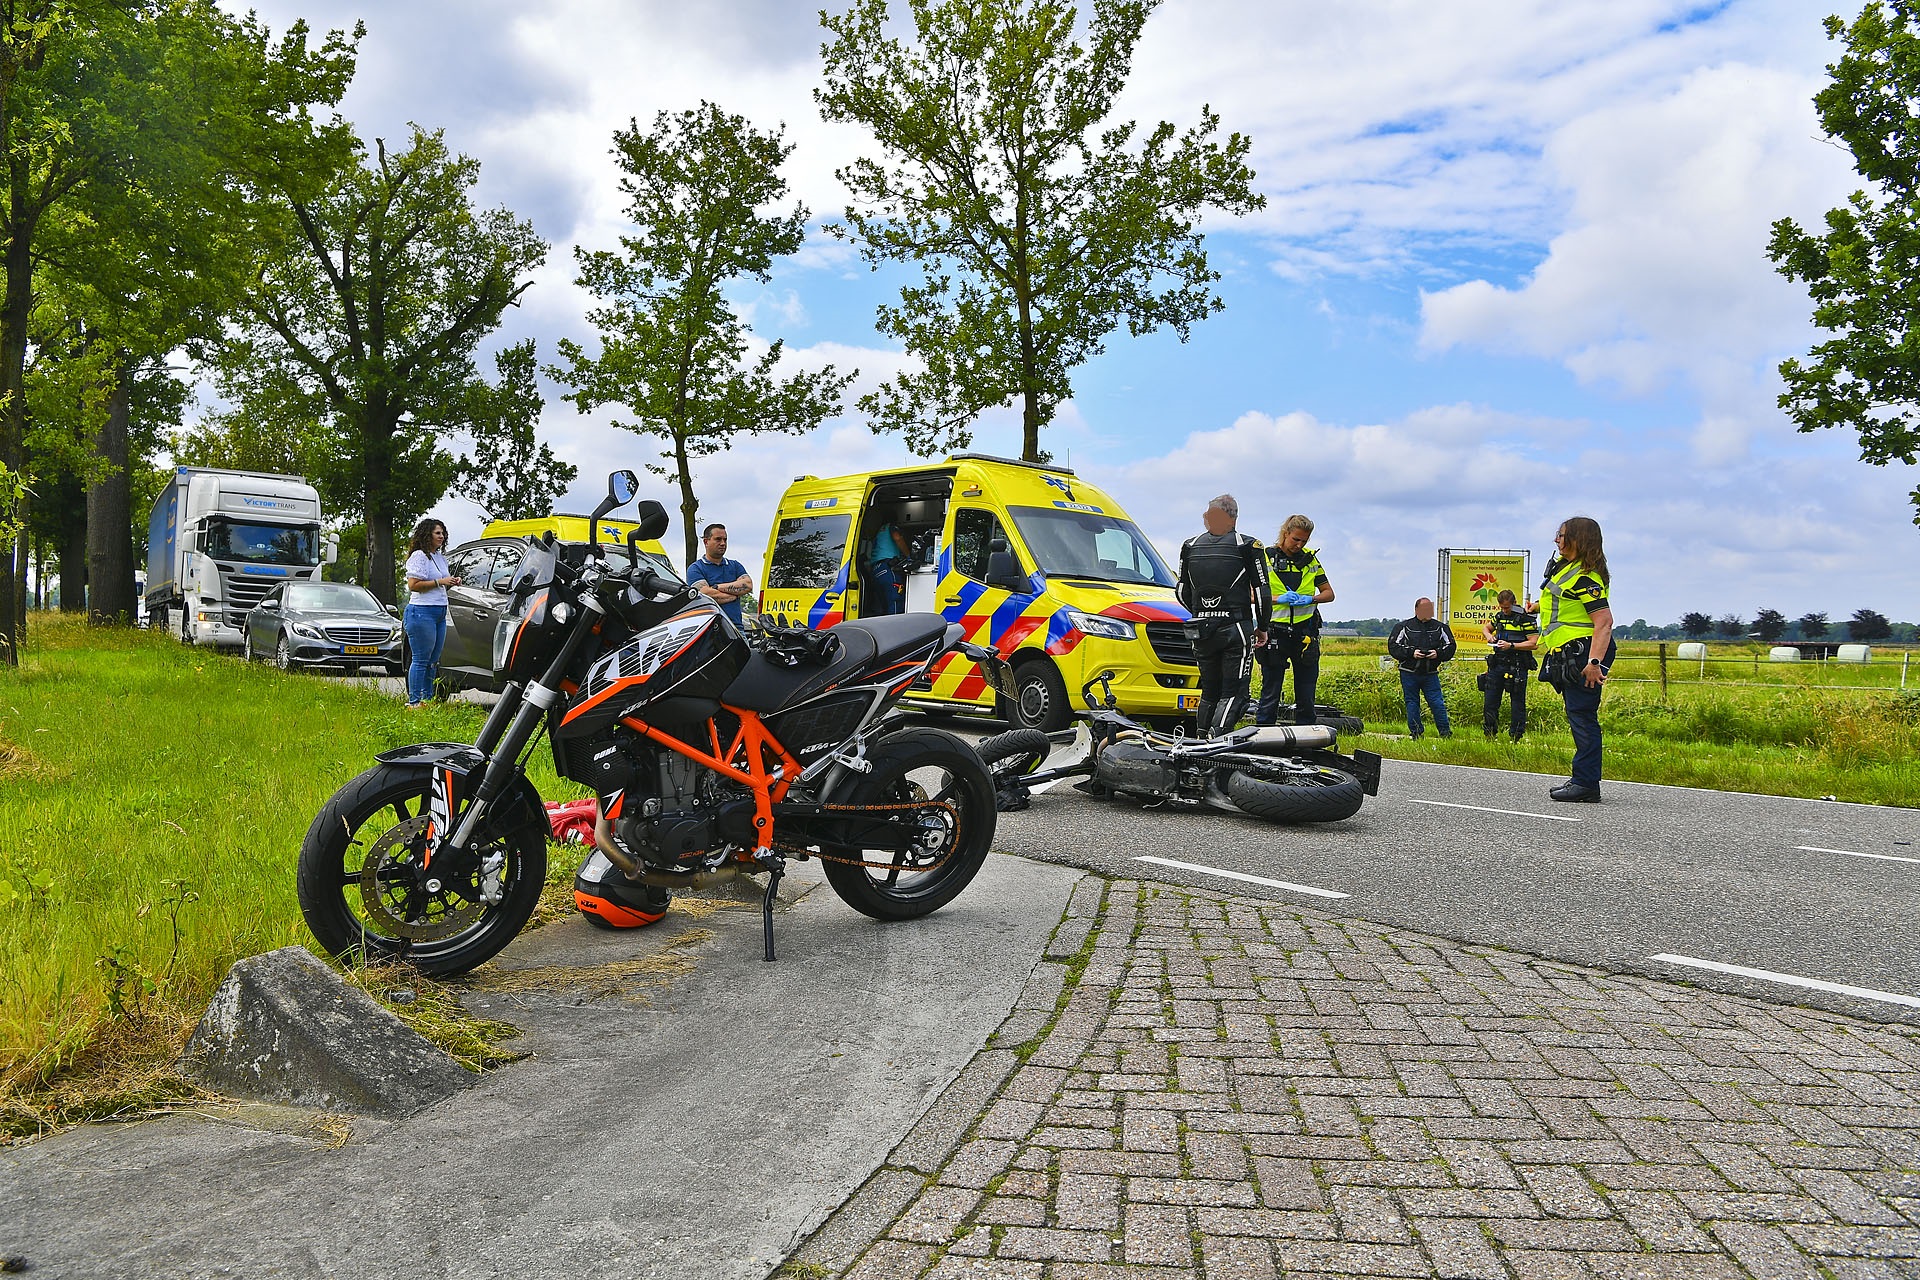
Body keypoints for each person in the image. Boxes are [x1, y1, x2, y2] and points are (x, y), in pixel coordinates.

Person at [1528, 516, 1615, 803]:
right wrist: (1536, 607)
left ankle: (1586, 783)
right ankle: (1583, 779)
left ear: (1578, 539)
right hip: (1572, 649)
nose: (1557, 540)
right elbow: (1565, 601)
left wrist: (1594, 664)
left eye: (1562, 535)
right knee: (1577, 715)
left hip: (1585, 652)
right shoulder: (1570, 570)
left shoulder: (1586, 577)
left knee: (1582, 716)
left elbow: (1603, 621)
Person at [1176, 494, 1271, 737]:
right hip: (1236, 627)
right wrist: (1263, 626)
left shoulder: (1190, 545)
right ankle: (1216, 740)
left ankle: (1199, 739)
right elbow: (1262, 592)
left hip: (1201, 630)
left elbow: (1181, 590)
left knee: (1209, 691)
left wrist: (1201, 613)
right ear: (1234, 517)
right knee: (1235, 693)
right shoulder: (1248, 545)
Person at [1256, 514, 1334, 726]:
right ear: (1285, 533)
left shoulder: (1310, 559)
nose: (1299, 545)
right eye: (1296, 539)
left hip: (1304, 634)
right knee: (1270, 692)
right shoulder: (1265, 558)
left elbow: (1329, 593)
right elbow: (1249, 595)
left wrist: (1312, 598)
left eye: (1304, 541)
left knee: (1306, 694)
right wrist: (1277, 599)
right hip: (1275, 632)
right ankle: (1264, 735)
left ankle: (1306, 739)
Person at [402, 517, 461, 708]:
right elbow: (414, 585)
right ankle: (415, 702)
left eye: (443, 533)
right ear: (427, 534)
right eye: (438, 533)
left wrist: (451, 582)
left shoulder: (439, 557)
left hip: (438, 612)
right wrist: (440, 582)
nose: (442, 536)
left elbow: (441, 584)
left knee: (433, 660)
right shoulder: (419, 556)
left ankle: (427, 699)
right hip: (421, 612)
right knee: (420, 659)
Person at [1387, 597, 1457, 739]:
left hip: (1430, 673)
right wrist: (1412, 653)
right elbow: (1393, 647)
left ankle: (1445, 734)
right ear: (1416, 610)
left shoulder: (1441, 627)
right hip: (1408, 672)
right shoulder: (1403, 627)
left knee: (1437, 703)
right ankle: (1416, 734)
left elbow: (1451, 646)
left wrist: (1438, 653)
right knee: (1412, 703)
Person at [1480, 589, 1538, 740]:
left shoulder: (1525, 618)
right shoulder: (1499, 616)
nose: (1505, 611)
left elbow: (1533, 643)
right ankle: (1490, 734)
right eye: (1502, 607)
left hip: (1517, 665)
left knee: (1517, 704)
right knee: (1490, 701)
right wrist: (1489, 637)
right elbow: (1486, 628)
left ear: (1514, 603)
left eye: (1507, 607)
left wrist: (1511, 645)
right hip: (1497, 664)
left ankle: (1516, 736)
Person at [687, 523, 752, 627]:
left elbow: (748, 585)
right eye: (718, 539)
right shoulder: (695, 568)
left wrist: (717, 587)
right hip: (709, 629)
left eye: (725, 540)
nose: (723, 543)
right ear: (706, 541)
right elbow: (705, 595)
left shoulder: (735, 565)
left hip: (736, 627)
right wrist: (735, 595)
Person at [862, 520, 905, 616]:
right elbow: (897, 538)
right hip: (888, 567)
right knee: (894, 603)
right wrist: (909, 556)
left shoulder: (878, 533)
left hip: (876, 570)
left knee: (881, 607)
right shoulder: (891, 525)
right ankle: (894, 628)